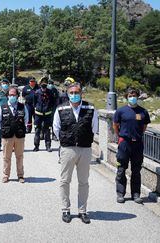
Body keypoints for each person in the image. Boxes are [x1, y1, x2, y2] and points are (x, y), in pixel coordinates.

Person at [53, 83, 98, 224]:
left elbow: (94, 128)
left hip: (85, 149)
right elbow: (56, 128)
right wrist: (66, 141)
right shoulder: (61, 109)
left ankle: (82, 211)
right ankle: (65, 209)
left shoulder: (90, 108)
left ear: (81, 93)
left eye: (76, 92)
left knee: (83, 182)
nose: (74, 94)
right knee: (65, 180)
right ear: (67, 94)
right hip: (68, 149)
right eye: (71, 92)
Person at [113, 88, 150, 204]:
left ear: (138, 96)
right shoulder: (121, 111)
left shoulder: (143, 112)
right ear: (126, 97)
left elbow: (144, 127)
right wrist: (121, 137)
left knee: (136, 170)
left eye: (134, 95)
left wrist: (137, 135)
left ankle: (136, 194)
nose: (132, 97)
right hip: (124, 143)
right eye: (130, 95)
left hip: (137, 144)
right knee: (121, 169)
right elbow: (115, 125)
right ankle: (120, 194)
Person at [0, 87, 29, 183]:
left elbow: (26, 119)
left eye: (14, 95)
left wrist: (20, 127)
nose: (12, 96)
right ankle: (6, 175)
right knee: (6, 157)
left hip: (19, 136)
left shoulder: (23, 107)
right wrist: (3, 129)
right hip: (7, 136)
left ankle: (20, 175)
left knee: (19, 156)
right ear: (7, 96)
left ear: (17, 96)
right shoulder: (2, 107)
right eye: (10, 95)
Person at [33, 78, 56, 152]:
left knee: (47, 131)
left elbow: (53, 102)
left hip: (47, 115)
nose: (44, 88)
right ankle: (36, 146)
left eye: (45, 86)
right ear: (40, 86)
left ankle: (48, 146)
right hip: (38, 115)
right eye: (42, 87)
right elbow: (34, 103)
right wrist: (37, 108)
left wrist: (49, 108)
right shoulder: (36, 93)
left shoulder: (50, 92)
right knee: (37, 130)